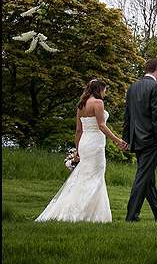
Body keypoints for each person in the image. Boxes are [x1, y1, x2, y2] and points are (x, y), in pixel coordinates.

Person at [36, 79, 127, 222]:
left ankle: (82, 210)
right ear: (99, 89)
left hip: (85, 143)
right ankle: (88, 214)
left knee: (84, 176)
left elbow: (78, 131)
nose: (105, 93)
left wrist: (78, 150)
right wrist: (118, 141)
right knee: (95, 176)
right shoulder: (98, 103)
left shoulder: (81, 105)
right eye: (105, 90)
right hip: (95, 143)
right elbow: (102, 126)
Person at [123, 58, 157, 222]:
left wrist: (126, 138)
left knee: (148, 177)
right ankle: (131, 215)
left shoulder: (132, 88)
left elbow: (128, 116)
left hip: (136, 139)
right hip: (152, 140)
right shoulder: (156, 87)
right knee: (143, 176)